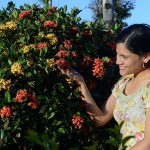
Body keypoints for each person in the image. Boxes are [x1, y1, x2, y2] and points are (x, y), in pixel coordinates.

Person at [61, 24, 150, 150]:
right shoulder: (124, 82)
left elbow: (148, 142)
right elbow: (100, 118)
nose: (117, 61)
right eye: (117, 55)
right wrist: (80, 83)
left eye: (124, 57)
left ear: (146, 56)